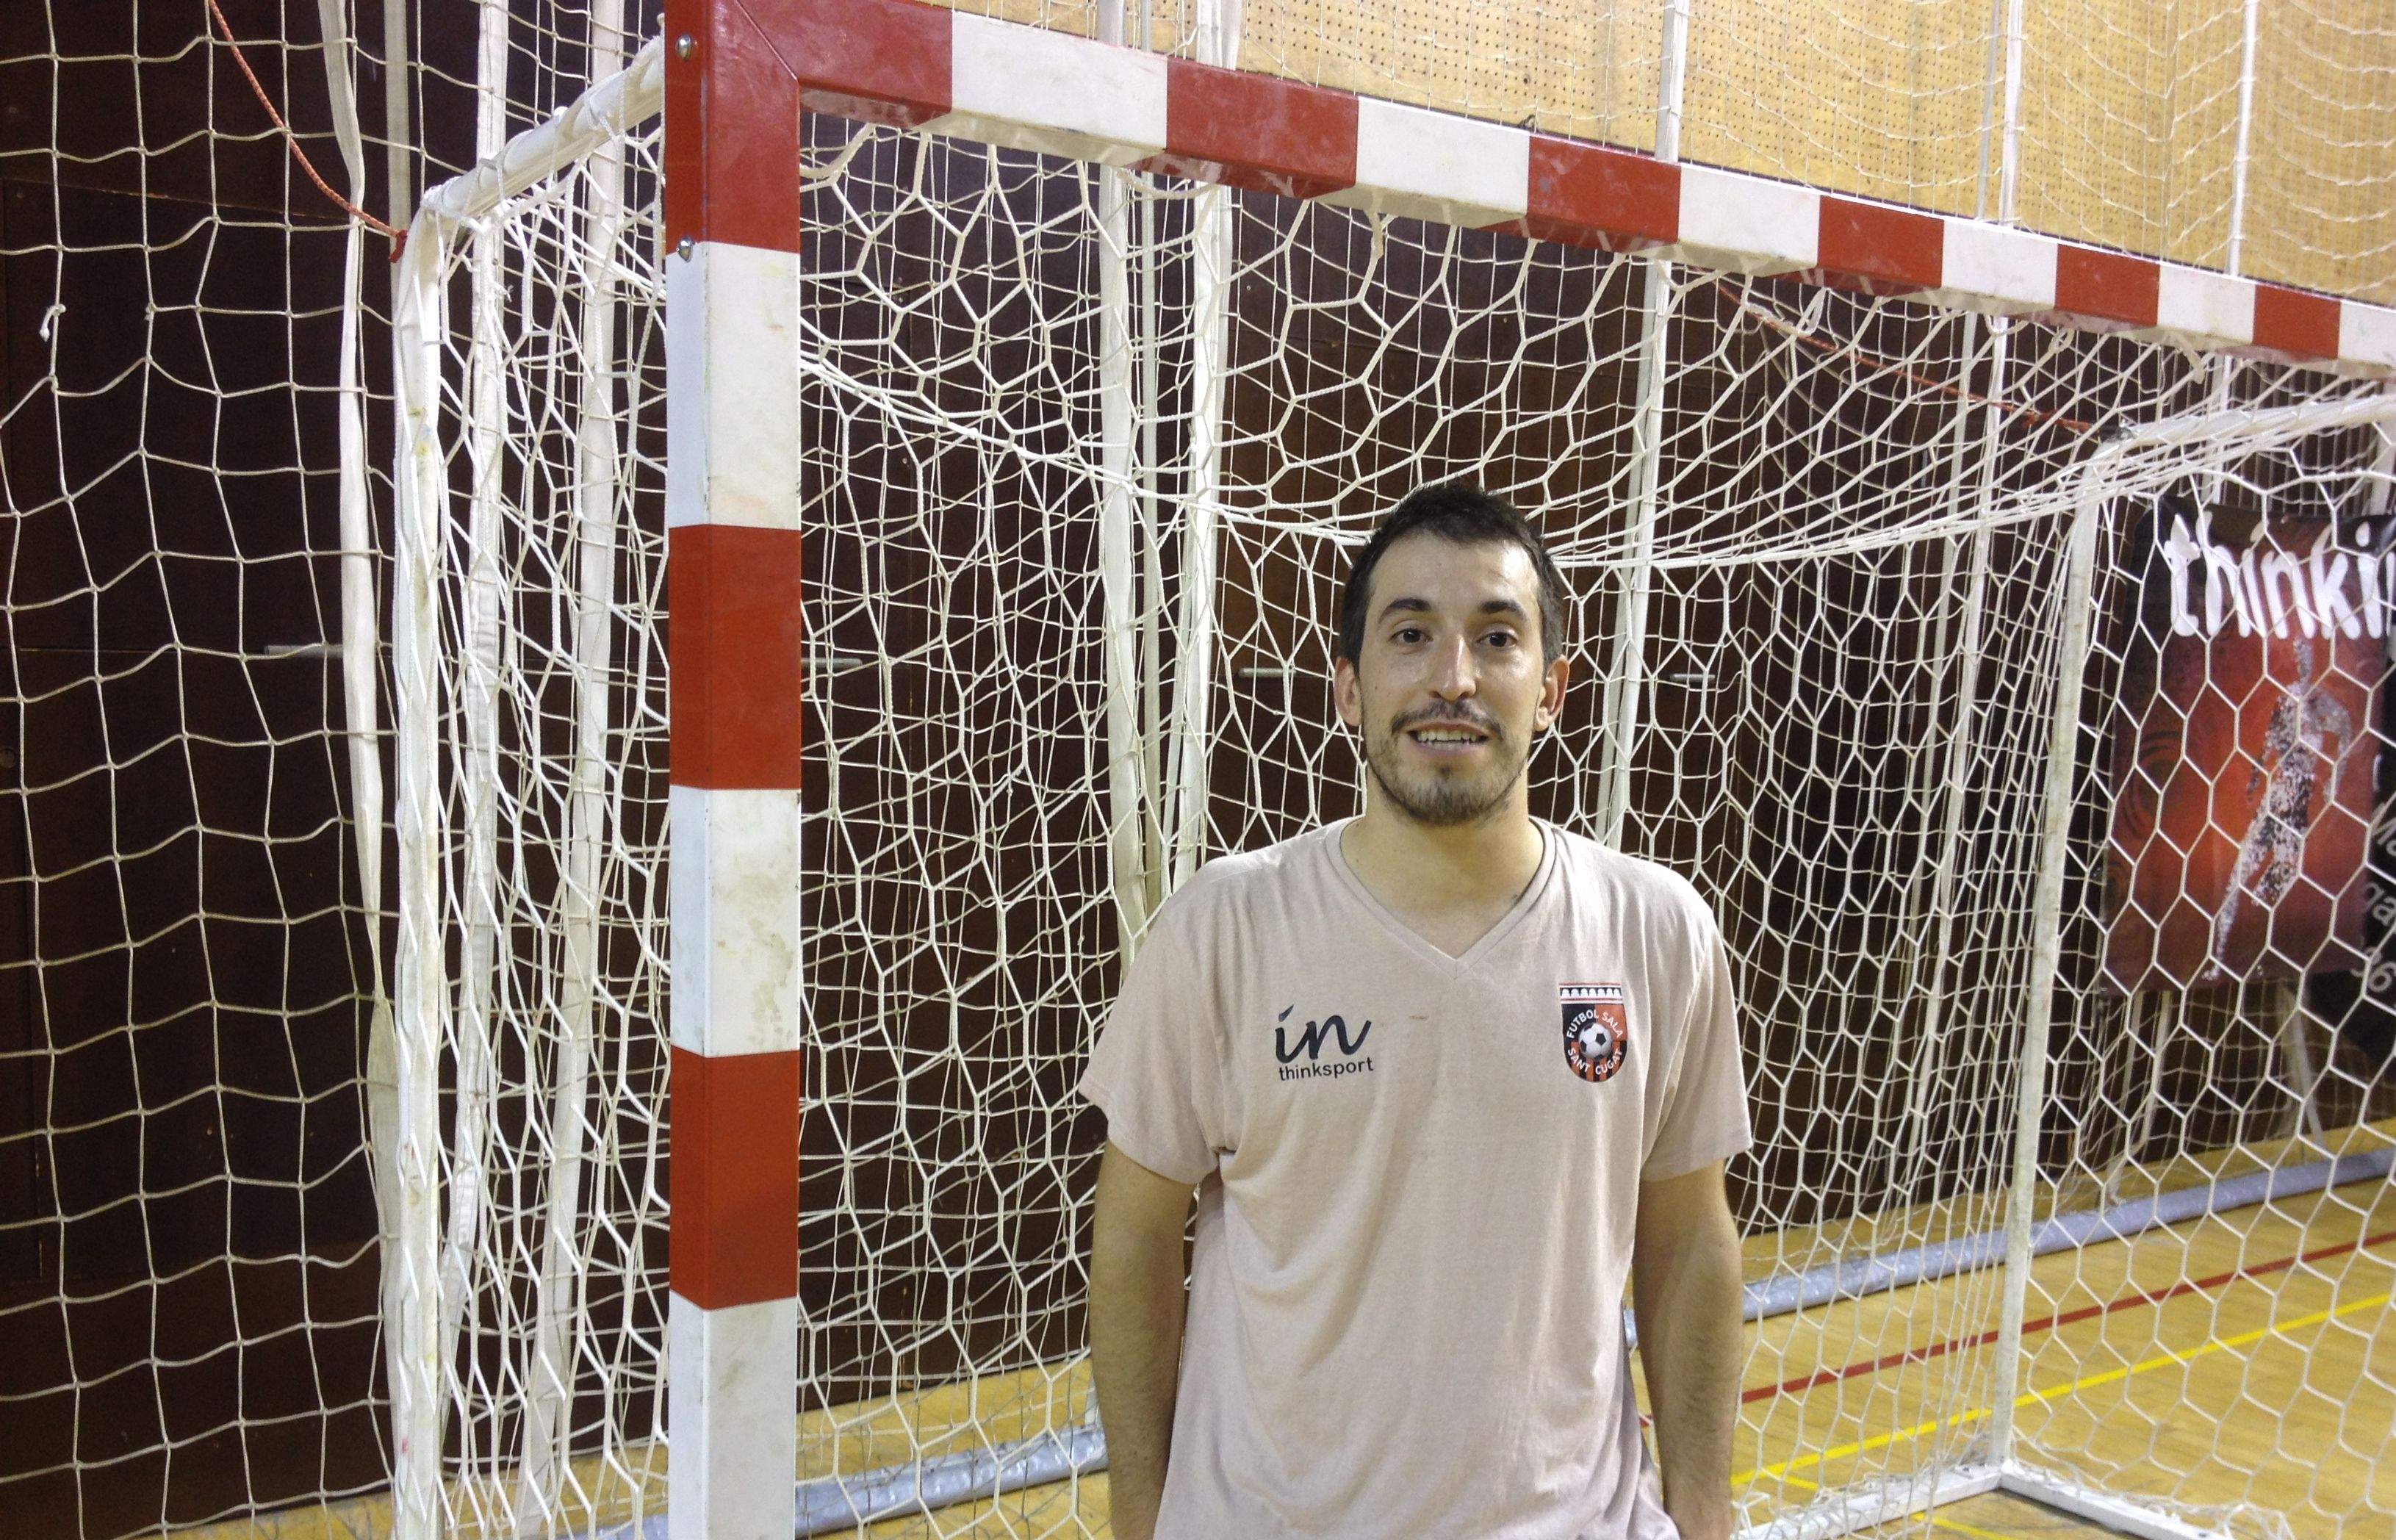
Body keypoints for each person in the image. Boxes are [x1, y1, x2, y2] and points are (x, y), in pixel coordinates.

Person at [1079, 479, 1753, 1540]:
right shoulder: (1222, 928)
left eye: (1496, 638)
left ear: (1551, 688)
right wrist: (1136, 1516)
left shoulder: (1658, 930)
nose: (1453, 679)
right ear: (1348, 687)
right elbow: (1132, 1239)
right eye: (1409, 636)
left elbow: (1687, 1240)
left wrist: (1705, 1515)